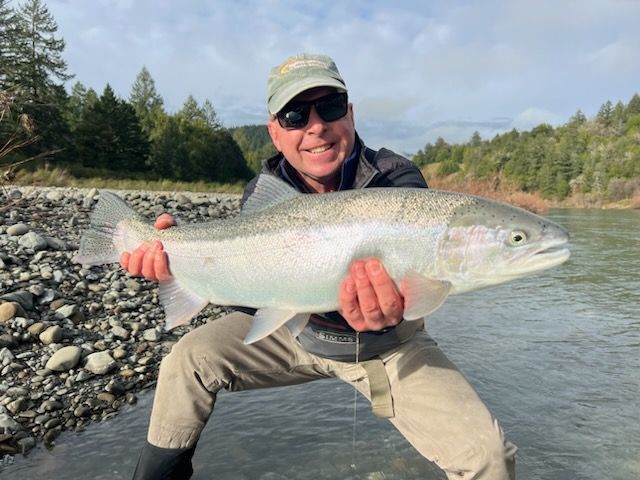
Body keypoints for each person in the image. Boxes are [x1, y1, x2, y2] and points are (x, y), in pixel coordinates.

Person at [122, 53, 517, 480]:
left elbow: (416, 293)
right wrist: (173, 257)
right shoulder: (265, 190)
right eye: (294, 115)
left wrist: (386, 318)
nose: (315, 126)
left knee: (489, 458)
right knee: (186, 361)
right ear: (275, 133)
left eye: (329, 106)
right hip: (299, 333)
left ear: (349, 113)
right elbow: (255, 294)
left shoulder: (396, 181)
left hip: (388, 347)